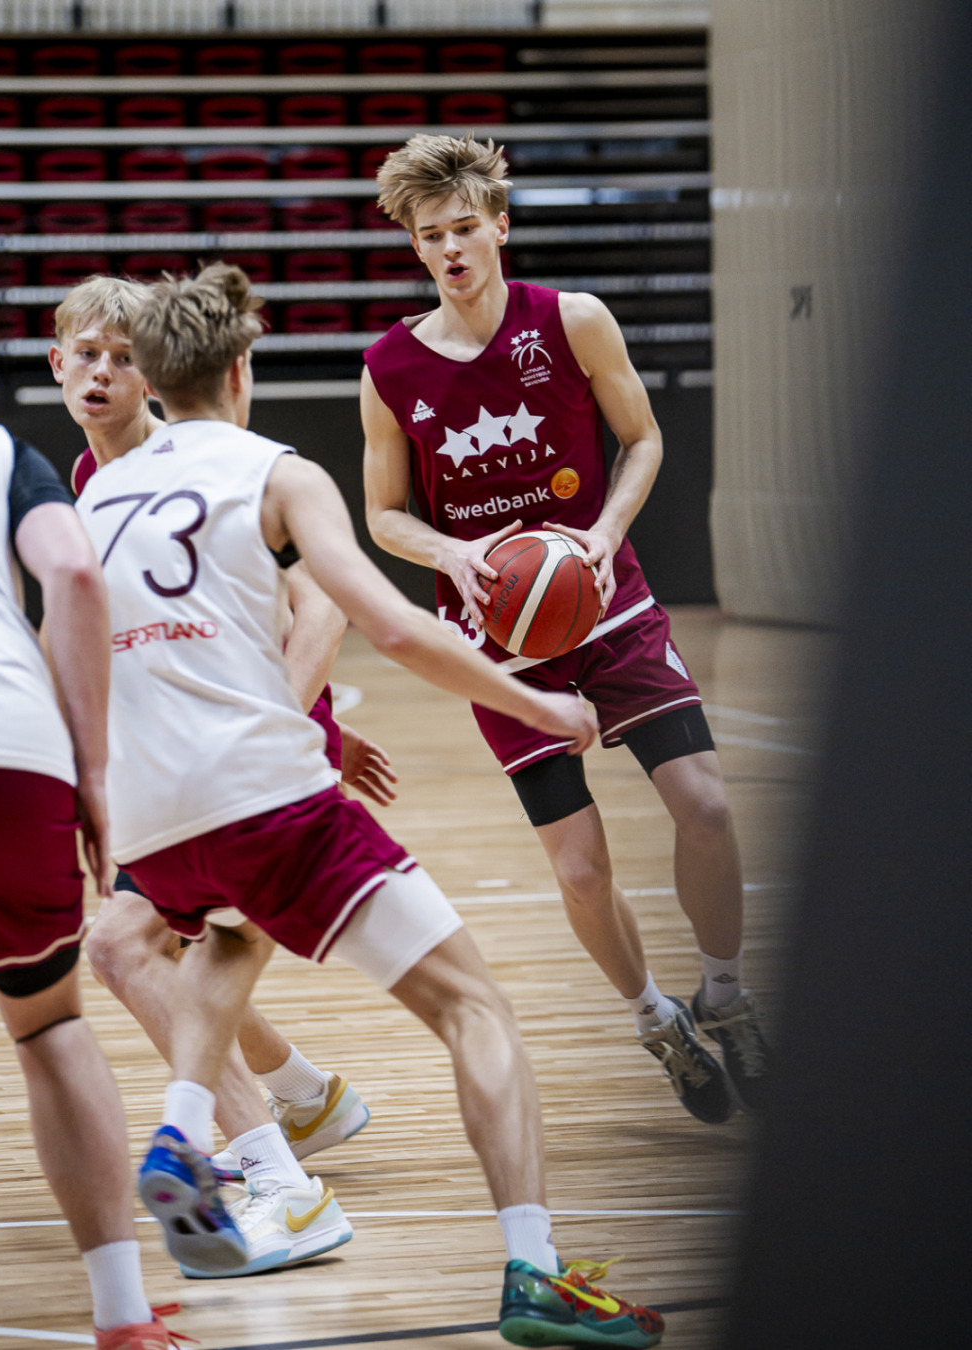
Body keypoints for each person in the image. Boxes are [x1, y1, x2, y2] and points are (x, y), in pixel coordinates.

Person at [75, 261, 665, 1347]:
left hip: (150, 814)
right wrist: (536, 702)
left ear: (153, 378)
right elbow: (391, 626)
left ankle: (183, 1131)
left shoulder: (97, 494)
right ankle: (536, 1274)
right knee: (476, 1009)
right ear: (242, 371)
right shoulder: (278, 471)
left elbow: (79, 651)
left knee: (234, 928)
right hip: (261, 791)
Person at [361, 134, 770, 1124]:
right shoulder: (389, 368)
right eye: (432, 235)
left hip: (606, 600)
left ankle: (725, 992)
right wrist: (452, 554)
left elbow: (643, 438)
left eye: (465, 228)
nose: (451, 248)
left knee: (708, 807)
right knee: (582, 868)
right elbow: (382, 515)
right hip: (497, 642)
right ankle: (657, 1020)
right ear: (415, 247)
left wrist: (605, 532)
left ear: (499, 227)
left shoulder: (572, 320)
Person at [50, 276, 390, 1274]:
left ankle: (281, 1177)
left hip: (247, 754)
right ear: (56, 363)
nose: (102, 374)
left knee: (128, 947)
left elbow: (323, 602)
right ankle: (302, 1099)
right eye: (86, 355)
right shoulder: (90, 475)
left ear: (156, 374)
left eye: (123, 357)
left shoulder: (198, 459)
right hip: (183, 754)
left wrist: (291, 720)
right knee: (185, 947)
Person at [0, 264, 169, 1350]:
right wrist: (92, 774)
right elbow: (78, 579)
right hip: (13, 754)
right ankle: (123, 1314)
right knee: (51, 1023)